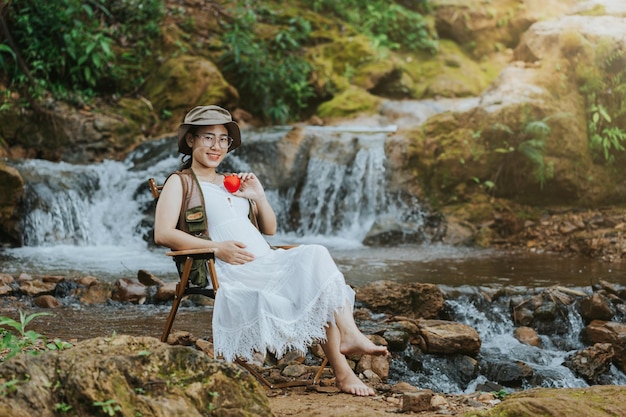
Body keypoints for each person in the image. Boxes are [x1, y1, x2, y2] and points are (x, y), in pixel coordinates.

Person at [154, 105, 388, 396]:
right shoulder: (181, 182)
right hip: (231, 270)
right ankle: (344, 368)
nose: (217, 146)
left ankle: (349, 341)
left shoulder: (232, 182)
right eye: (208, 138)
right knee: (314, 265)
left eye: (223, 139)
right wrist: (216, 248)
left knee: (315, 259)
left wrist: (259, 198)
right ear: (190, 140)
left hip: (268, 262)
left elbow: (270, 229)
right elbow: (163, 233)